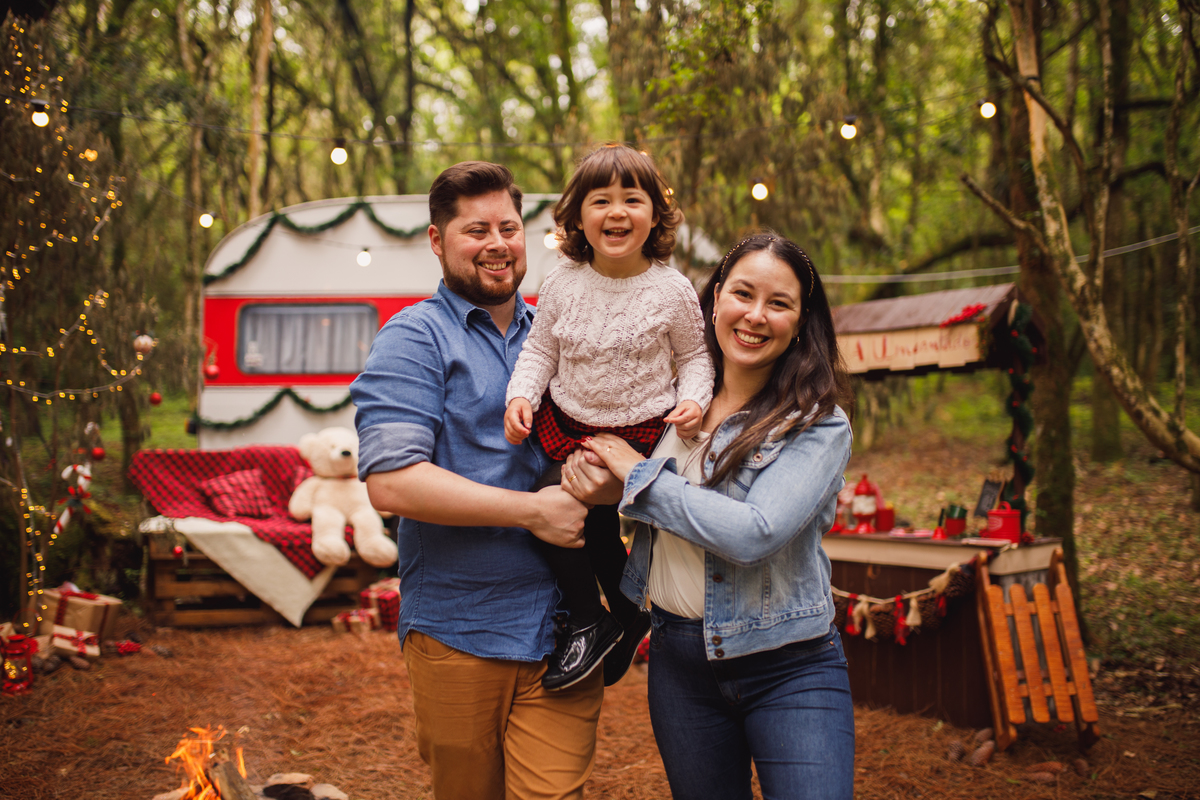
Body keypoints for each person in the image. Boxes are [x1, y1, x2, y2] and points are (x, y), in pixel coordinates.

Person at [350, 161, 615, 800]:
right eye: (476, 230)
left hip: (565, 629)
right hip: (459, 629)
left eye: (508, 227)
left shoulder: (557, 332)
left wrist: (608, 481)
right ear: (438, 242)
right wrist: (529, 512)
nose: (497, 243)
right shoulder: (414, 339)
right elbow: (391, 481)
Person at [572, 233, 857, 800]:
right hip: (679, 665)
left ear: (801, 322)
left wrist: (637, 476)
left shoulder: (817, 425)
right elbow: (647, 503)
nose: (756, 316)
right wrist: (600, 485)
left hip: (789, 665)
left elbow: (753, 532)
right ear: (715, 298)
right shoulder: (666, 401)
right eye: (743, 294)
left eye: (779, 303)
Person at [503, 144, 714, 692]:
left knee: (598, 520)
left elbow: (694, 357)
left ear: (655, 215)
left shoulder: (671, 290)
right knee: (563, 511)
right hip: (571, 423)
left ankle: (621, 612)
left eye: (632, 199)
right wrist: (520, 395)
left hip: (641, 430)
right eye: (601, 200)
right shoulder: (562, 283)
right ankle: (596, 618)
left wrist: (693, 399)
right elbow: (539, 352)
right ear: (578, 216)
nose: (616, 212)